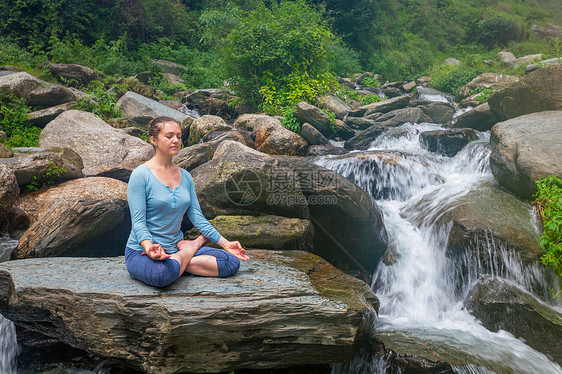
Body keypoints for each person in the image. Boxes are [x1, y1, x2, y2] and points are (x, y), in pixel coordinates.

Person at [124, 116, 249, 287]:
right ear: (153, 140)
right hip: (142, 252)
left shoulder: (186, 177)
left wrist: (226, 243)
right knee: (161, 275)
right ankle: (189, 252)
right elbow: (138, 223)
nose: (176, 140)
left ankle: (177, 264)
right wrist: (149, 247)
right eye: (169, 136)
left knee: (230, 262)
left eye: (179, 136)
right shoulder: (141, 175)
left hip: (175, 247)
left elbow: (197, 217)